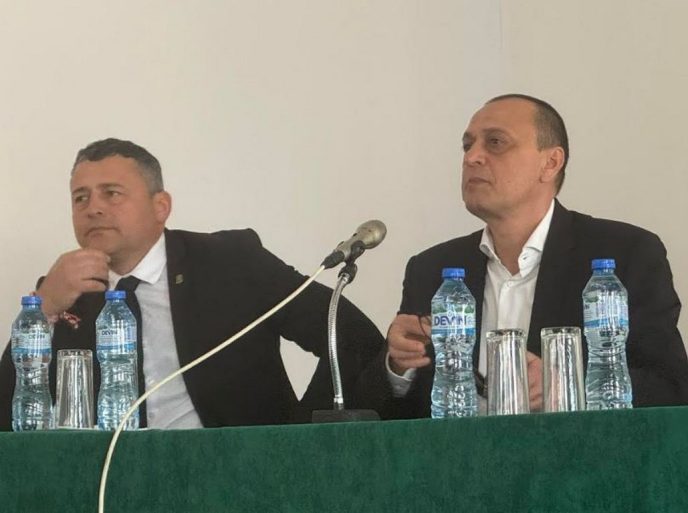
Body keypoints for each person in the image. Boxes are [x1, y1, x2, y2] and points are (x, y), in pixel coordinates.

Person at [0, 138, 384, 430]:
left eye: (111, 194)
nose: (93, 208)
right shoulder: (64, 291)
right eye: (80, 198)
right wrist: (43, 307)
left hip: (237, 475)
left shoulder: (230, 262)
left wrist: (299, 432)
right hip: (109, 483)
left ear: (161, 207)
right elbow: (8, 416)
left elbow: (351, 336)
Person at [378, 93, 688, 417]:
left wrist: (568, 382)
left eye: (495, 142)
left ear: (550, 163)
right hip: (459, 450)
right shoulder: (432, 269)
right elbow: (390, 412)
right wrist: (398, 365)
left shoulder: (625, 254)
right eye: (467, 146)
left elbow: (671, 388)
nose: (472, 157)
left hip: (575, 448)